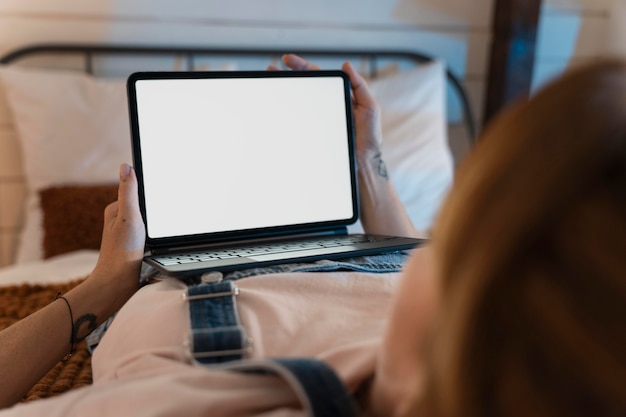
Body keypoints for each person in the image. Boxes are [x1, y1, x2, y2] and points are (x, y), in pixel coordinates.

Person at [0, 54, 624, 417]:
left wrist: (107, 283)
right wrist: (368, 159)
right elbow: (409, 260)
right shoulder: (472, 349)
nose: (439, 251)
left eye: (461, 234)